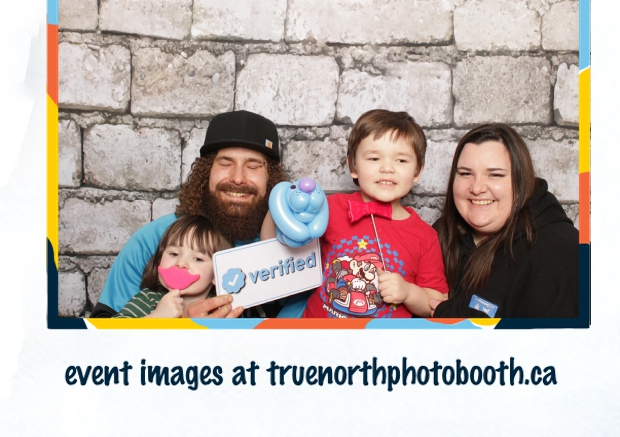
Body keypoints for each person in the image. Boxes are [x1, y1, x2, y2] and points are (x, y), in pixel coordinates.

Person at [93, 110, 310, 320]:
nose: (238, 178)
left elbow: (300, 328)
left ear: (271, 178)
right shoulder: (153, 239)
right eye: (225, 164)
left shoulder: (292, 248)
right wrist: (184, 326)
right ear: (206, 172)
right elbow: (101, 330)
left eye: (253, 166)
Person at [284, 110, 447, 321]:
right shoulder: (331, 208)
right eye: (374, 158)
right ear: (353, 166)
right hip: (318, 335)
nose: (387, 168)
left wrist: (408, 292)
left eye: (401, 160)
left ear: (417, 172)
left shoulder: (425, 236)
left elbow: (437, 302)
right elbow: (289, 251)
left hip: (380, 341)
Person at [432, 123, 580, 319]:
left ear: (521, 181)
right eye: (466, 173)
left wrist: (447, 314)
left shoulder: (559, 252)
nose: (476, 188)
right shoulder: (437, 234)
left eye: (495, 175)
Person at [118, 216, 239, 319]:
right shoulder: (148, 299)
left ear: (217, 274)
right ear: (159, 260)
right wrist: (156, 318)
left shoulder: (223, 309)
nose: (181, 263)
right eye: (174, 254)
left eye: (198, 259)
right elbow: (112, 335)